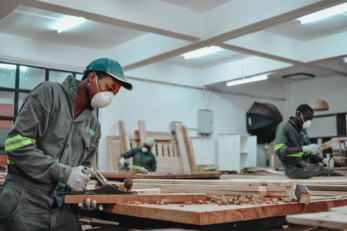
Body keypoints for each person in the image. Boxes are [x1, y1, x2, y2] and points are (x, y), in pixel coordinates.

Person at [0, 58, 133, 231]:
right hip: (24, 203)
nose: (109, 97)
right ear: (92, 77)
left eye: (113, 94)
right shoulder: (49, 93)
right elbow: (16, 144)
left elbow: (83, 170)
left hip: (62, 208)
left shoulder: (94, 126)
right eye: (109, 88)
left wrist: (82, 199)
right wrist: (63, 172)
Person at [274, 104, 344, 179]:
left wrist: (324, 160)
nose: (309, 122)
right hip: (293, 168)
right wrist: (304, 148)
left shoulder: (303, 131)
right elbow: (279, 150)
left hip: (304, 165)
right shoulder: (284, 127)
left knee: (330, 172)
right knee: (327, 173)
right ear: (298, 114)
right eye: (307, 118)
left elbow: (309, 153)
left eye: (310, 119)